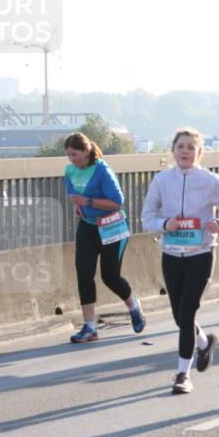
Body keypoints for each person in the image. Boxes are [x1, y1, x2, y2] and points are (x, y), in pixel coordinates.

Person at [142, 128, 219, 394]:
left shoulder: (211, 181)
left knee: (187, 314)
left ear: (199, 152)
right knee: (178, 315)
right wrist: (164, 223)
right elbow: (147, 216)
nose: (185, 151)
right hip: (171, 254)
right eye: (180, 146)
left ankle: (183, 374)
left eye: (190, 147)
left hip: (201, 253)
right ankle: (205, 342)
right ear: (173, 150)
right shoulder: (162, 180)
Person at [63, 132, 146, 343]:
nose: (72, 159)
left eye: (75, 154)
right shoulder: (70, 171)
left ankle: (133, 306)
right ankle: (90, 327)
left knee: (110, 276)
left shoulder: (102, 170)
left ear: (86, 151)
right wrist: (77, 206)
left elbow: (117, 202)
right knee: (84, 272)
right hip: (88, 227)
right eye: (69, 155)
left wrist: (87, 201)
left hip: (111, 227)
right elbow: (74, 194)